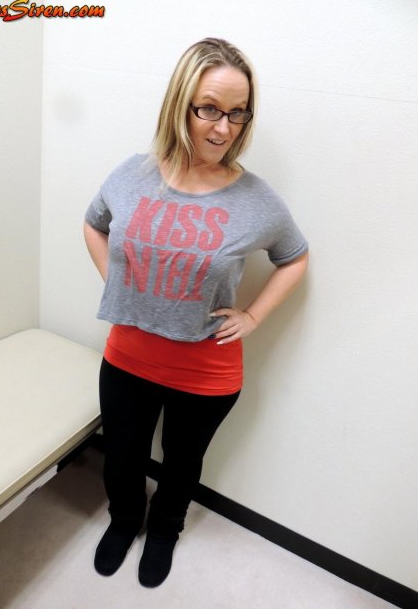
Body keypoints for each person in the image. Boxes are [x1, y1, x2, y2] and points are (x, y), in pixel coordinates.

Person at [83, 37, 309, 588]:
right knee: (122, 457)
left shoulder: (255, 199)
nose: (223, 128)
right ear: (179, 104)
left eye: (238, 112)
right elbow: (94, 223)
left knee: (182, 464)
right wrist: (119, 283)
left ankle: (165, 531)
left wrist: (252, 317)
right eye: (209, 108)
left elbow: (295, 257)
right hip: (128, 356)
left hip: (206, 369)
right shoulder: (133, 174)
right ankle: (124, 521)